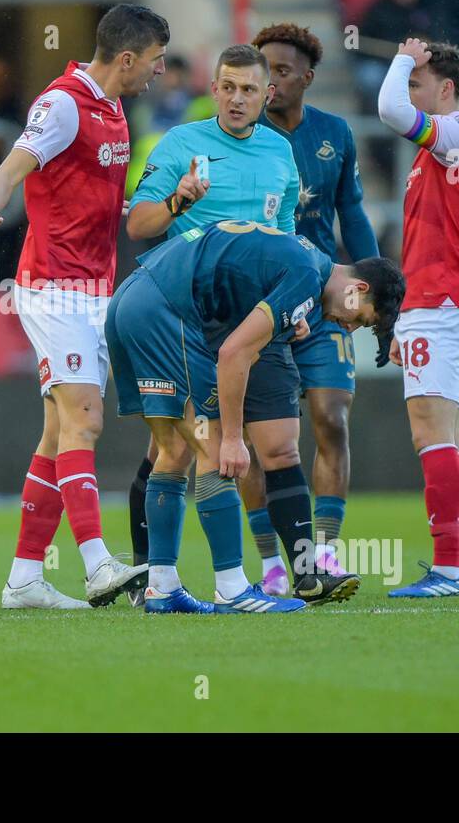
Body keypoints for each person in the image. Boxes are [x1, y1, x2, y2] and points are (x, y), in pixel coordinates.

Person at [0, 3, 168, 610]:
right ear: (127, 58)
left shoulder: (116, 109)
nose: (157, 72)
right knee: (86, 418)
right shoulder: (65, 103)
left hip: (95, 288)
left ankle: (24, 577)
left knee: (58, 433)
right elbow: (13, 166)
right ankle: (97, 564)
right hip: (51, 286)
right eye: (152, 62)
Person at [106, 221, 403, 612]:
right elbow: (233, 353)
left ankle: (162, 586)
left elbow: (235, 273)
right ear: (358, 288)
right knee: (213, 448)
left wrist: (282, 323)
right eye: (361, 319)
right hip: (165, 310)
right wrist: (232, 437)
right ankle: (232, 589)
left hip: (131, 299)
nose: (348, 328)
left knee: (173, 450)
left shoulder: (305, 258)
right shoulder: (304, 275)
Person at [122, 43, 304, 600]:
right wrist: (178, 202)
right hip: (189, 318)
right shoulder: (182, 144)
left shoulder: (280, 152)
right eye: (227, 87)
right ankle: (187, 579)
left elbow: (290, 234)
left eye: (249, 89)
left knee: (277, 448)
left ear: (267, 94)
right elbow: (138, 223)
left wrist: (294, 305)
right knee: (182, 450)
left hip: (258, 318)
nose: (237, 99)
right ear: (214, 88)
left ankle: (304, 570)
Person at [254, 23, 382, 593]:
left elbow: (351, 214)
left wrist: (375, 281)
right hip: (259, 302)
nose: (271, 82)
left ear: (307, 77)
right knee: (264, 439)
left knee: (331, 417)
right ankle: (274, 564)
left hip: (326, 299)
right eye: (264, 71)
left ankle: (324, 556)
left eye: (282, 71)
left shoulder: (335, 134)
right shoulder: (240, 135)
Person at [377, 38, 459, 599]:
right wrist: (402, 318)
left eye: (417, 82)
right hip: (434, 303)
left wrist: (402, 56)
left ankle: (449, 568)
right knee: (450, 436)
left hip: (442, 304)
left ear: (446, 89)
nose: (409, 94)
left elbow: (389, 109)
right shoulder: (436, 152)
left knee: (430, 434)